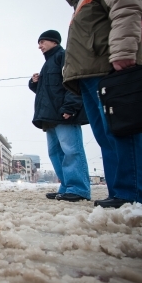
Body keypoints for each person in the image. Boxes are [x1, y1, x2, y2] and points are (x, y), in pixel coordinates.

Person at [59, 0, 142, 208]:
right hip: (88, 76)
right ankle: (119, 192)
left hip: (108, 69)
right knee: (105, 136)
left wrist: (123, 51)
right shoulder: (80, 3)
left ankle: (131, 194)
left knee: (120, 130)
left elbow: (127, 9)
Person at [29, 30, 90, 202]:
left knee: (72, 151)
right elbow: (46, 92)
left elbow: (74, 82)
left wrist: (70, 107)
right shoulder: (48, 63)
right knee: (56, 153)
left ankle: (79, 189)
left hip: (64, 113)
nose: (39, 46)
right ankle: (66, 187)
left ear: (54, 42)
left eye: (42, 42)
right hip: (50, 117)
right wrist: (35, 83)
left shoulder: (63, 56)